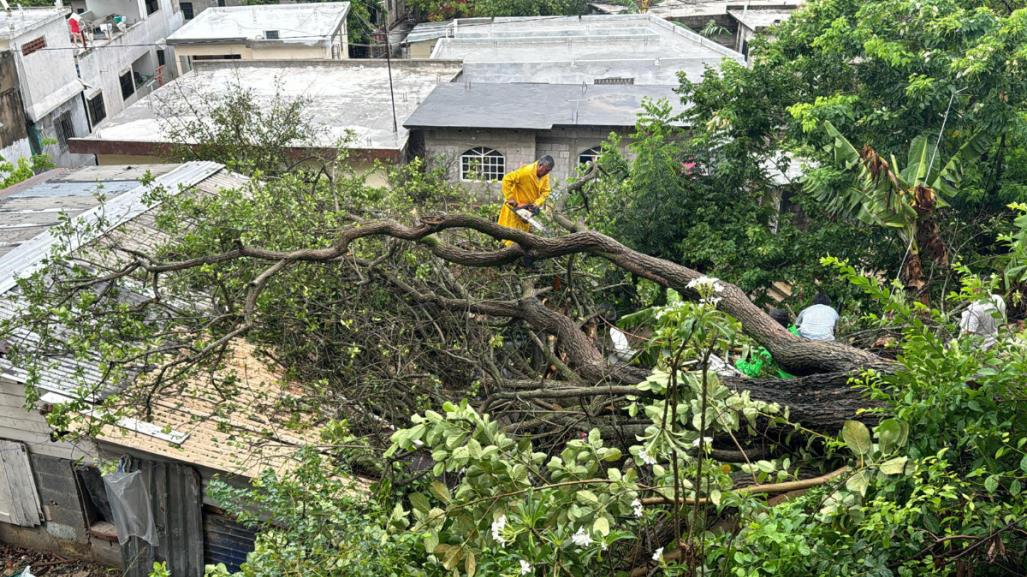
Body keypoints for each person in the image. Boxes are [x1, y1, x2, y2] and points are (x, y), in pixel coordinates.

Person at [497, 156, 554, 246]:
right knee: (509, 237)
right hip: (515, 209)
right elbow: (506, 179)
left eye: (548, 171)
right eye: (546, 170)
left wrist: (536, 204)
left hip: (527, 210)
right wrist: (510, 198)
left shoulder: (545, 175)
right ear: (540, 165)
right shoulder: (526, 172)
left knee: (522, 238)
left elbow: (546, 191)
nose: (547, 173)